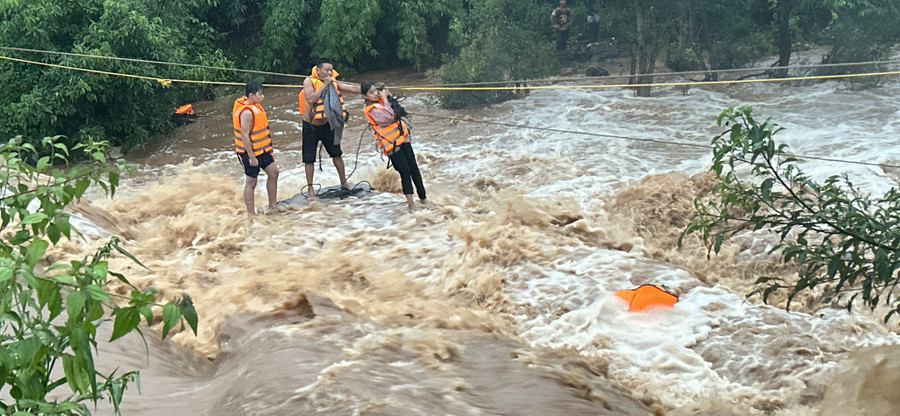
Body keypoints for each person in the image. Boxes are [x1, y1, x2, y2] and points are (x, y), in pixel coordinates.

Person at [360, 82, 433, 211]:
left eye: (376, 91)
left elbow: (398, 110)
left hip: (403, 138)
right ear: (365, 96)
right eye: (371, 92)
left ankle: (423, 199)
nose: (375, 94)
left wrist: (387, 95)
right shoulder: (372, 109)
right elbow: (387, 117)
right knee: (405, 172)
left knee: (414, 169)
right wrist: (385, 100)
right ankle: (411, 203)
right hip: (391, 145)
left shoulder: (382, 101)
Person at [299, 59, 361, 201]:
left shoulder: (332, 81)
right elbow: (310, 99)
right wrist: (324, 86)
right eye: (326, 70)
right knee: (309, 159)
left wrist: (368, 90)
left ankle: (344, 182)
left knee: (337, 154)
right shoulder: (309, 81)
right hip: (311, 125)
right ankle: (310, 189)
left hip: (328, 124)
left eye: (331, 70)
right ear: (318, 70)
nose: (329, 73)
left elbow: (350, 88)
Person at [232, 80, 280, 216]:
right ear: (251, 95)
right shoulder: (246, 113)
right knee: (251, 182)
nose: (262, 97)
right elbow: (244, 136)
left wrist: (268, 149)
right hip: (250, 153)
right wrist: (251, 157)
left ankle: (272, 206)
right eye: (260, 94)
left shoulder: (256, 106)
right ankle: (251, 214)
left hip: (263, 150)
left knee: (274, 173)